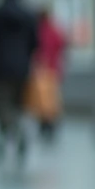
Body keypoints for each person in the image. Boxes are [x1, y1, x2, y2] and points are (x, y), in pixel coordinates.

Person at [0, 0, 39, 164]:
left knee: (1, 105)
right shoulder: (28, 13)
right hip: (23, 67)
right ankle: (12, 132)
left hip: (0, 67)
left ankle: (14, 131)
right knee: (18, 104)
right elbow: (35, 42)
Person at [32, 9, 68, 139]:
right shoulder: (55, 30)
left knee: (42, 98)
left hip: (42, 69)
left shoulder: (38, 31)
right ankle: (51, 121)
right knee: (52, 97)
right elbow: (62, 45)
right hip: (54, 68)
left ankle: (44, 122)